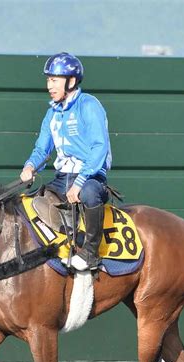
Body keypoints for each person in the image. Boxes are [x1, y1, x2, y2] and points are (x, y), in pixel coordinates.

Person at [20, 52, 112, 271]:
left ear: (71, 81)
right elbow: (42, 149)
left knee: (89, 194)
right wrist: (30, 166)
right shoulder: (52, 113)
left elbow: (100, 147)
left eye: (54, 80)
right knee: (32, 202)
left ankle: (90, 254)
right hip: (62, 178)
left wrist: (80, 183)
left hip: (91, 177)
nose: (49, 85)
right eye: (48, 80)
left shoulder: (88, 105)